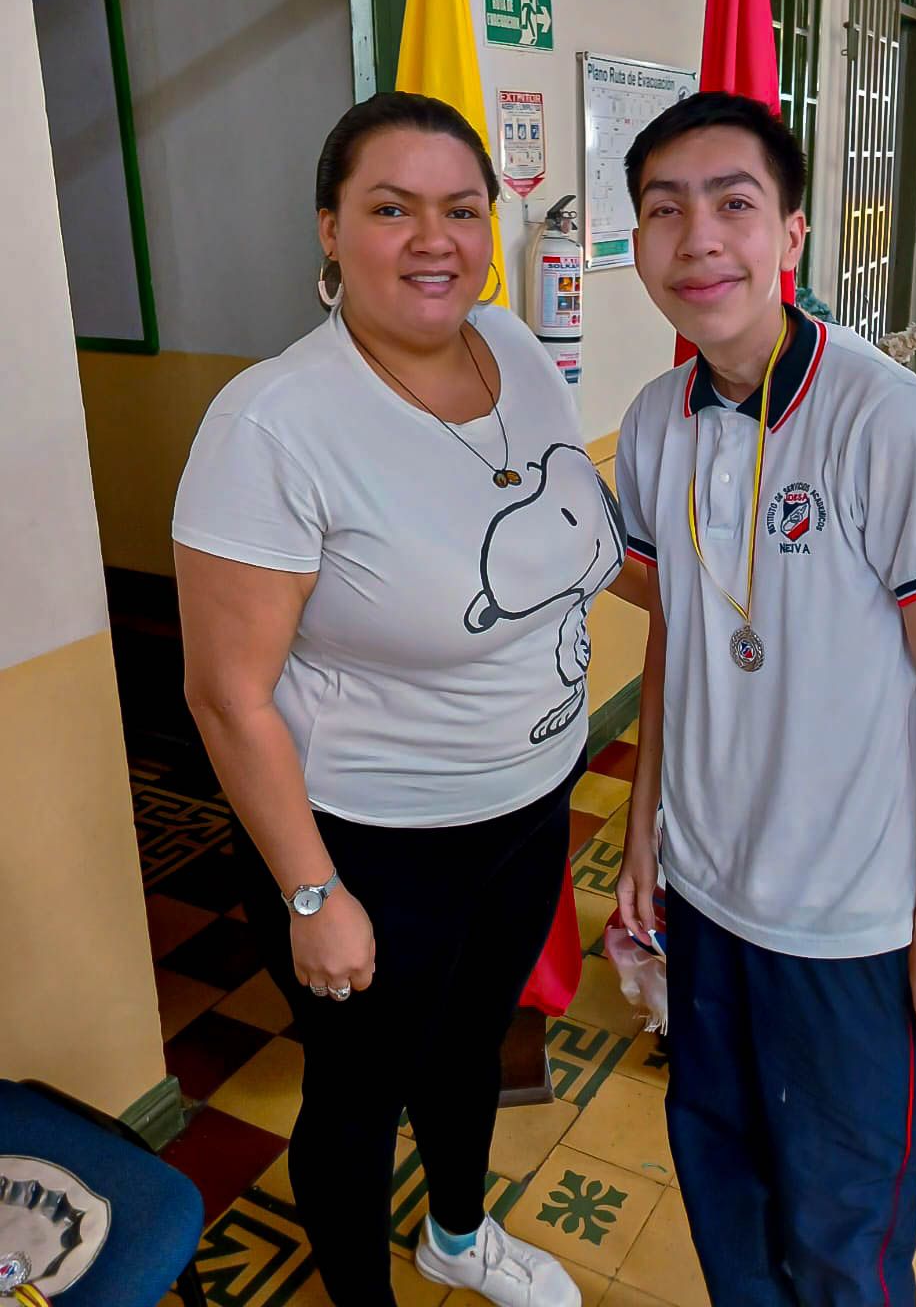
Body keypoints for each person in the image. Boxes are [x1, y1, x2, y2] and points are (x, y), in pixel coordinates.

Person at [174, 92, 644, 1307]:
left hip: (527, 811)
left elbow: (566, 537)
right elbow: (227, 695)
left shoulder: (519, 351)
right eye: (392, 209)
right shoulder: (276, 424)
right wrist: (312, 890)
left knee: (470, 1048)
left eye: (460, 209)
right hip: (372, 841)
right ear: (330, 229)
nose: (432, 238)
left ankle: (454, 1230)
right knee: (358, 1092)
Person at [613, 92, 916, 1307]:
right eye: (664, 211)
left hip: (848, 918)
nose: (698, 239)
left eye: (733, 204)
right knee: (722, 1176)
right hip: (709, 896)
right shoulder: (653, 424)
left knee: (845, 1227)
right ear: (638, 247)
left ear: (790, 235)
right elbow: (675, 631)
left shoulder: (883, 420)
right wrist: (642, 839)